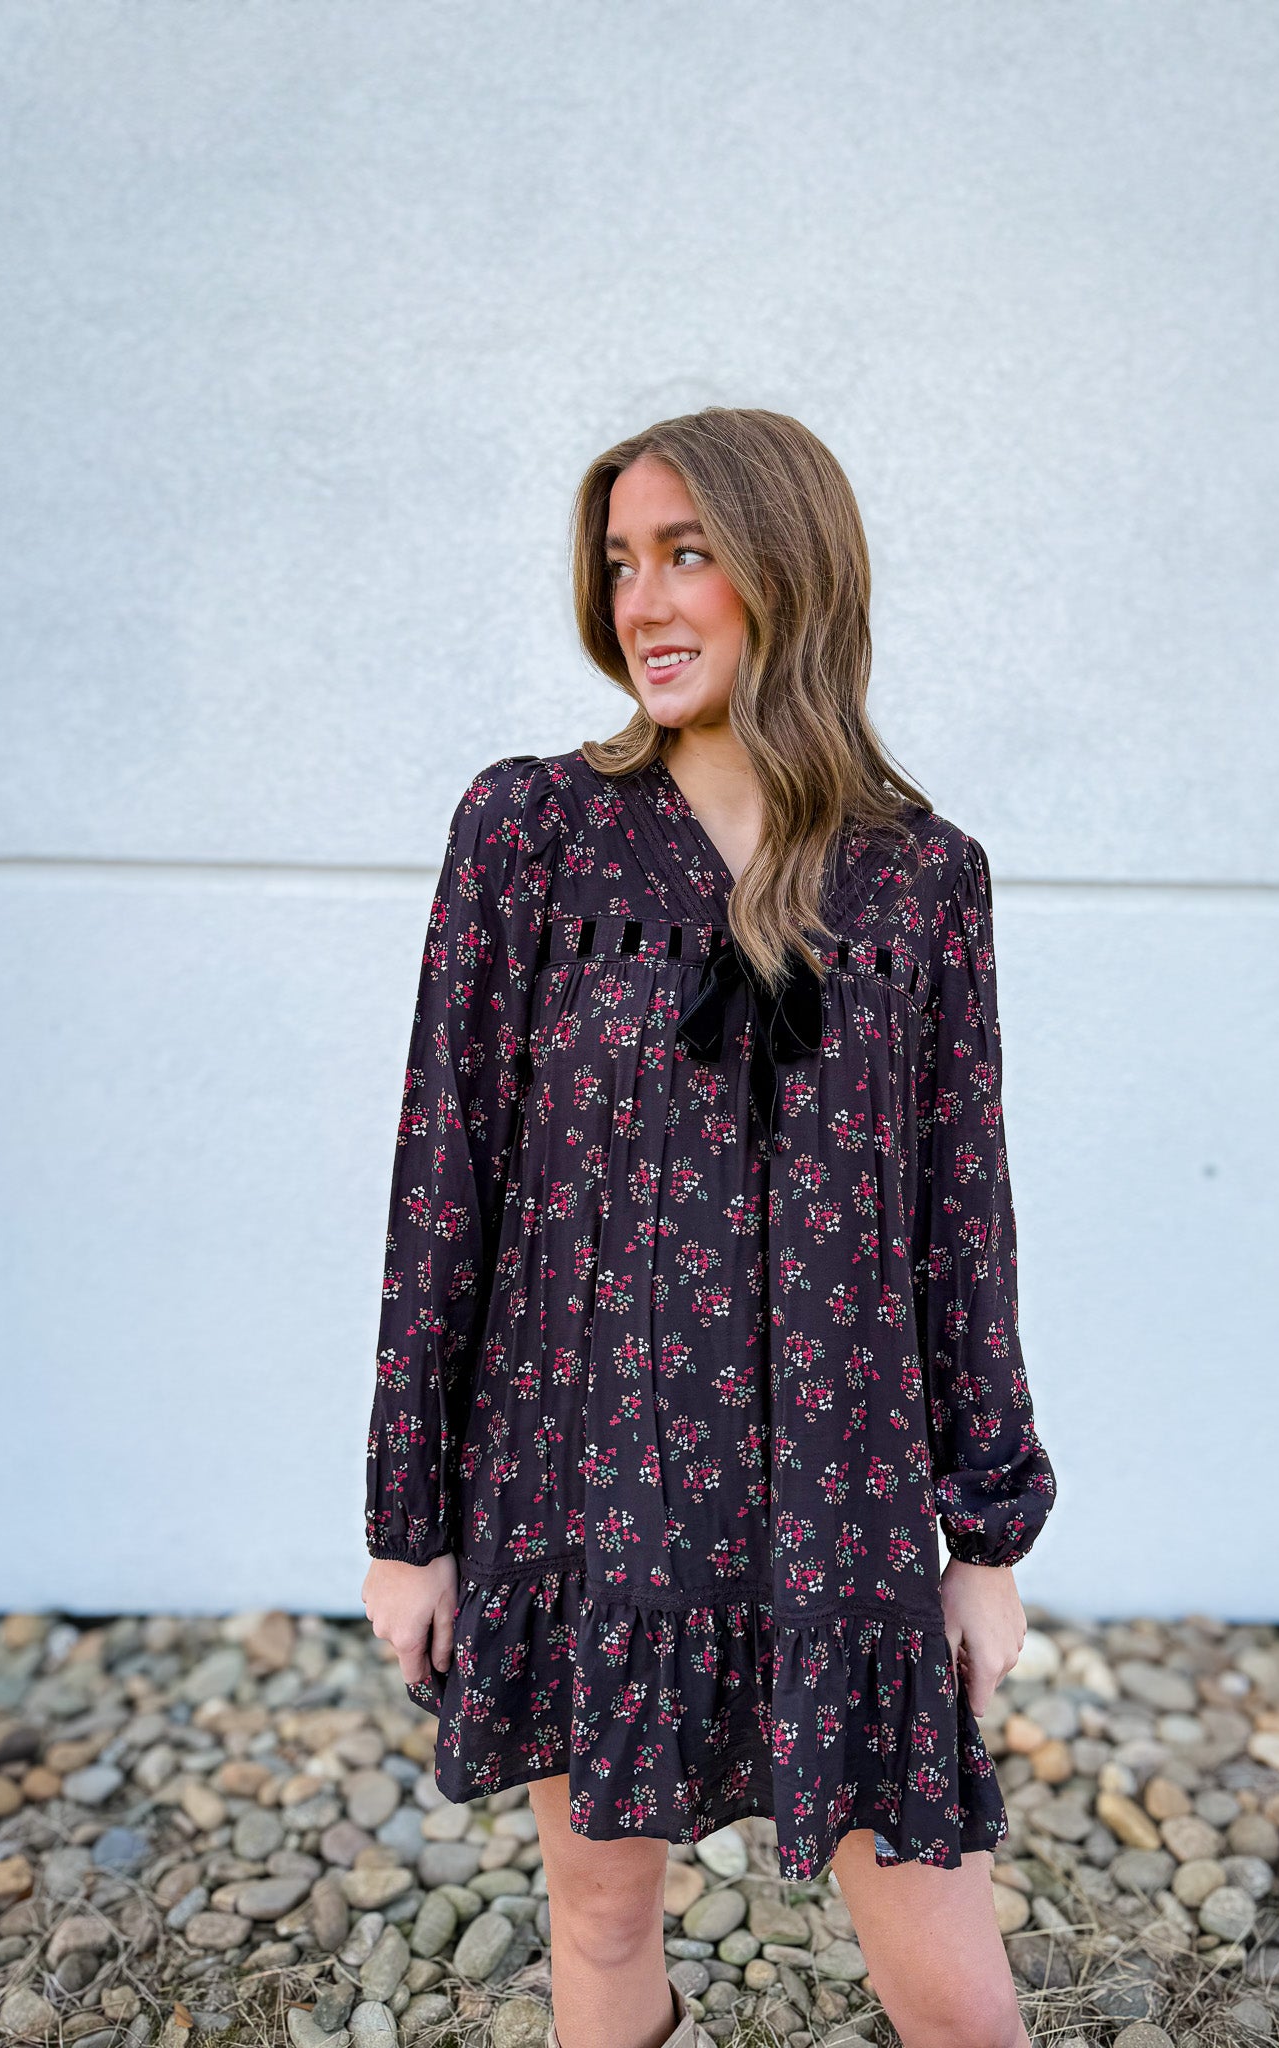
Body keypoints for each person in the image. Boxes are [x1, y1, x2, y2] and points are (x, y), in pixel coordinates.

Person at [360, 407, 1058, 2048]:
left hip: (848, 1497)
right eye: (620, 563)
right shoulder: (529, 832)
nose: (643, 604)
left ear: (788, 574)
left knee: (960, 2005)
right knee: (601, 1935)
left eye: (689, 556)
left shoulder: (923, 879)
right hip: (586, 1484)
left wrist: (991, 1544)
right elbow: (440, 1179)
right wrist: (409, 1523)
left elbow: (964, 1221)